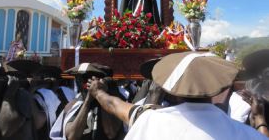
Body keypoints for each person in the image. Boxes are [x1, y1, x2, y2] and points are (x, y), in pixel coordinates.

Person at [87, 52, 268, 139]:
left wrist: (97, 91)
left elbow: (114, 104)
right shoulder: (245, 134)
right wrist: (260, 120)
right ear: (221, 88)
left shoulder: (149, 119)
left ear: (172, 89)